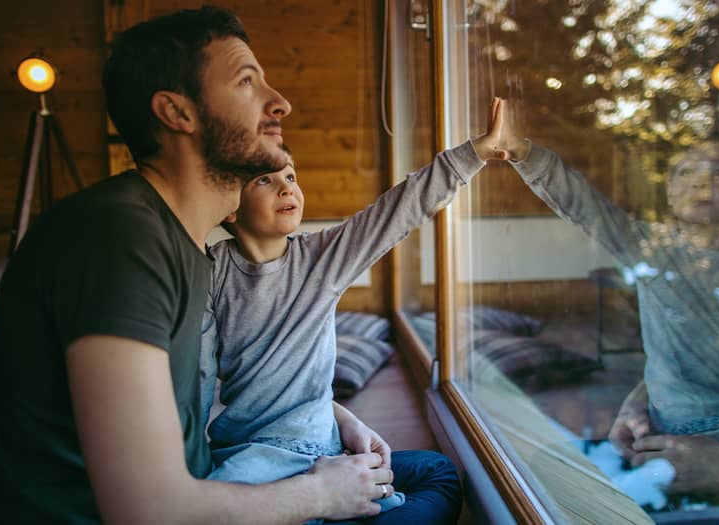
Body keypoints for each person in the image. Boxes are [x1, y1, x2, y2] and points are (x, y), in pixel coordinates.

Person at [0, 7, 398, 524]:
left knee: (418, 471)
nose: (280, 103)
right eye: (247, 82)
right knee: (428, 489)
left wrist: (334, 414)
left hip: (200, 483)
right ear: (177, 113)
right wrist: (320, 495)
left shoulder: (187, 247)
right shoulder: (117, 241)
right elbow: (146, 510)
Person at [199, 97, 513, 524]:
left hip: (319, 448)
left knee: (437, 470)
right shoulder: (210, 271)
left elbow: (399, 209)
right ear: (230, 206)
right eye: (266, 181)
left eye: (290, 176)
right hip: (248, 457)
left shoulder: (322, 257)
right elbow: (195, 381)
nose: (287, 187)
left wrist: (475, 152)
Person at [498, 136, 719, 495]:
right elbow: (584, 206)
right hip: (656, 433)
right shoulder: (649, 246)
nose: (701, 181)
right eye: (687, 171)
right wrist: (524, 153)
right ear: (669, 192)